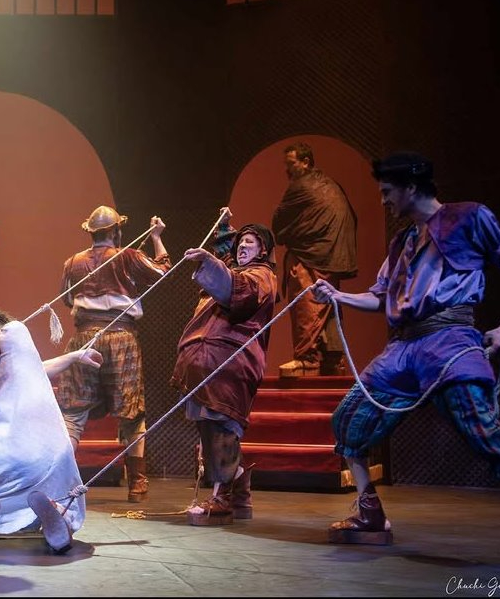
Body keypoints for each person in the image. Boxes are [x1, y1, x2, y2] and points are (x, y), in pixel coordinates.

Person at [311, 152, 500, 574]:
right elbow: (379, 298)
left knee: (486, 435)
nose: (383, 200)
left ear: (411, 188)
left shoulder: (469, 217)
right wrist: (337, 296)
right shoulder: (402, 242)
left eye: (387, 192)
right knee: (349, 420)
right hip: (404, 348)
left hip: (449, 339)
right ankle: (370, 513)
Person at [0, 303, 102, 555]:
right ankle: (60, 517)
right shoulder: (15, 330)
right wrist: (74, 357)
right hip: (52, 452)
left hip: (2, 455)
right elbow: (35, 369)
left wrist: (74, 356)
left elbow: (34, 370)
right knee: (63, 498)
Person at [55, 206, 169, 503]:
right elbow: (162, 271)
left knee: (73, 412)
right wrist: (157, 238)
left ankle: (58, 479)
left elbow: (69, 299)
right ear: (117, 231)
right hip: (121, 339)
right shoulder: (128, 256)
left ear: (91, 233)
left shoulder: (72, 262)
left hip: (83, 340)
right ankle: (137, 485)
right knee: (132, 411)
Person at [170, 224, 278, 525]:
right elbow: (226, 261)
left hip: (229, 363)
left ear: (263, 250)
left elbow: (237, 290)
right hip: (206, 361)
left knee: (221, 425)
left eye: (250, 242)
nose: (242, 247)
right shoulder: (236, 271)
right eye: (240, 242)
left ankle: (222, 497)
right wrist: (223, 232)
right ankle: (240, 491)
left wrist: (210, 262)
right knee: (210, 425)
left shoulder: (261, 277)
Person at [272, 142, 358, 376]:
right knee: (329, 302)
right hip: (332, 256)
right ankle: (333, 358)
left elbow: (280, 219)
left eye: (290, 164)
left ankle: (306, 358)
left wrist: (291, 235)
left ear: (305, 162)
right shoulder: (331, 184)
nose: (286, 170)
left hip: (310, 254)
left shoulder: (301, 186)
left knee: (306, 303)